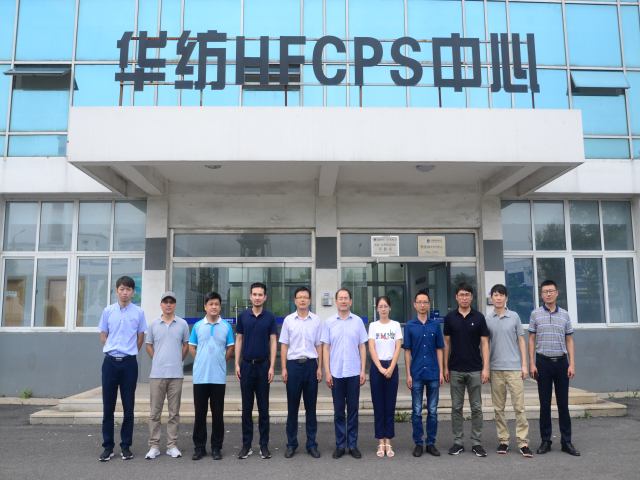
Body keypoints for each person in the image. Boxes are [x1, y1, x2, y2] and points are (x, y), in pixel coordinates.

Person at [98, 276, 147, 462]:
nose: (125, 292)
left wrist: (128, 352)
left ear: (133, 292)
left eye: (128, 289)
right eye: (122, 289)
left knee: (128, 407)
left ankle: (126, 446)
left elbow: (140, 338)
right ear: (117, 291)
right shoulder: (108, 311)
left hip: (128, 364)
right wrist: (114, 350)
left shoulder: (139, 312)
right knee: (108, 407)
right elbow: (104, 336)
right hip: (110, 363)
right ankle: (108, 446)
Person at [529, 280, 580, 456]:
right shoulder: (535, 314)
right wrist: (531, 362)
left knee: (563, 404)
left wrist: (572, 363)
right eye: (545, 291)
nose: (548, 294)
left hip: (561, 363)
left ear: (557, 293)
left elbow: (569, 340)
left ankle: (566, 442)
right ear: (541, 294)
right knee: (544, 404)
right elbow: (531, 340)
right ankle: (546, 441)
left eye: (551, 291)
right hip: (542, 363)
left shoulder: (564, 315)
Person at [443, 282, 490, 457]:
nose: (464, 298)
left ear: (472, 297)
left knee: (476, 407)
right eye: (461, 295)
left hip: (475, 369)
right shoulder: (450, 318)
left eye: (467, 294)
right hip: (455, 369)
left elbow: (485, 344)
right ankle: (458, 442)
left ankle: (476, 442)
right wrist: (445, 367)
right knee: (456, 407)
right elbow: (446, 343)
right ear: (456, 297)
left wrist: (486, 368)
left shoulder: (479, 317)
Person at [485, 284, 533, 457]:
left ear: (506, 297)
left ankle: (523, 442)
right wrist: (486, 368)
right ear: (491, 298)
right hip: (496, 369)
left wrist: (524, 364)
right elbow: (485, 344)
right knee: (499, 408)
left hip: (513, 368)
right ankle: (503, 440)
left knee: (519, 407)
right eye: (495, 295)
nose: (498, 298)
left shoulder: (514, 316)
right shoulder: (487, 319)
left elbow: (521, 340)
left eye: (501, 295)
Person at [322, 288, 368, 459]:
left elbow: (362, 347)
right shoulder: (329, 323)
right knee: (339, 411)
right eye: (340, 298)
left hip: (354, 372)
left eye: (346, 298)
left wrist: (362, 370)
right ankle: (341, 445)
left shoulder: (358, 322)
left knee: (353, 410)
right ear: (336, 302)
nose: (343, 301)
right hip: (336, 373)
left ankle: (353, 444)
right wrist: (327, 372)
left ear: (350, 301)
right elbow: (326, 348)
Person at [189, 292, 235, 461]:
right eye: (211, 304)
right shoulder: (198, 326)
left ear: (220, 307)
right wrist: (200, 360)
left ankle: (216, 447)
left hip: (218, 378)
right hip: (200, 377)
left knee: (217, 414)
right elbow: (191, 347)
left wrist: (221, 361)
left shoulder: (226, 327)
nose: (214, 307)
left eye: (216, 304)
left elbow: (230, 347)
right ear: (205, 306)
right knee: (199, 414)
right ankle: (199, 447)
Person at [144, 291, 190, 460]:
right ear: (161, 304)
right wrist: (157, 359)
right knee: (155, 413)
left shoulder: (182, 324)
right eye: (165, 301)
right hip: (157, 374)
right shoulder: (153, 324)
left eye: (171, 302)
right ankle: (154, 446)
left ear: (175, 305)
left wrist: (178, 360)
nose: (168, 304)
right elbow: (148, 345)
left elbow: (186, 345)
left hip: (176, 374)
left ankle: (172, 445)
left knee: (174, 413)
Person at [235, 282, 278, 460]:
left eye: (260, 294)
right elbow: (239, 339)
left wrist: (272, 366)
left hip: (263, 366)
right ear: (250, 296)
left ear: (265, 297)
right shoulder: (243, 316)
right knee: (246, 408)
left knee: (263, 408)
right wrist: (236, 364)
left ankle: (264, 445)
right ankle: (246, 445)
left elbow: (273, 342)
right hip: (246, 366)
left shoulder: (270, 317)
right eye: (254, 294)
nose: (257, 297)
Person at [280, 286, 323, 459]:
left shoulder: (316, 320)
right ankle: (291, 444)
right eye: (299, 297)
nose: (303, 300)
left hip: (311, 366)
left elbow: (319, 344)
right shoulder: (288, 320)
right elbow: (284, 345)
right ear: (295, 300)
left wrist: (320, 367)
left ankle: (312, 444)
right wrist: (284, 368)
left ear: (309, 300)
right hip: (293, 367)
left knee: (311, 408)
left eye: (305, 297)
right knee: (292, 408)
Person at [404, 291, 444, 458]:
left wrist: (441, 371)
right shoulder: (409, 326)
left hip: (433, 373)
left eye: (425, 302)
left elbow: (439, 349)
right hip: (417, 373)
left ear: (429, 305)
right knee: (417, 411)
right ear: (415, 305)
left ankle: (431, 443)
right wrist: (408, 374)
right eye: (419, 302)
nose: (422, 305)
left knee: (433, 411)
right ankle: (418, 443)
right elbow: (407, 351)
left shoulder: (435, 325)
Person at [368, 296, 403, 458]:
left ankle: (388, 442)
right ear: (377, 309)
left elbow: (398, 348)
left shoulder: (395, 325)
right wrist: (381, 369)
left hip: (391, 366)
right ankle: (380, 442)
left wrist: (391, 367)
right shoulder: (373, 326)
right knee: (378, 406)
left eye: (385, 306)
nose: (383, 309)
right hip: (377, 368)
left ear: (390, 308)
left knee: (389, 406)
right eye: (380, 306)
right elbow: (371, 348)